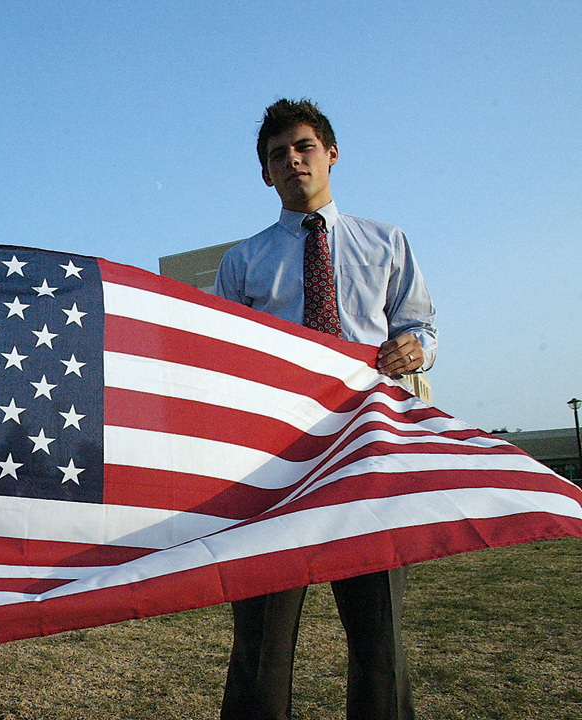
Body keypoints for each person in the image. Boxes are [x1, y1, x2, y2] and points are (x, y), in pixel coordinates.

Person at [213, 98, 436, 720]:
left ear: (331, 153)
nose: (292, 161)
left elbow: (419, 323)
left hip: (367, 455)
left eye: (303, 147)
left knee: (379, 641)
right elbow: (226, 360)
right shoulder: (243, 263)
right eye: (277, 155)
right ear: (265, 174)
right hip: (275, 466)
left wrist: (417, 348)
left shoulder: (387, 243)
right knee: (261, 642)